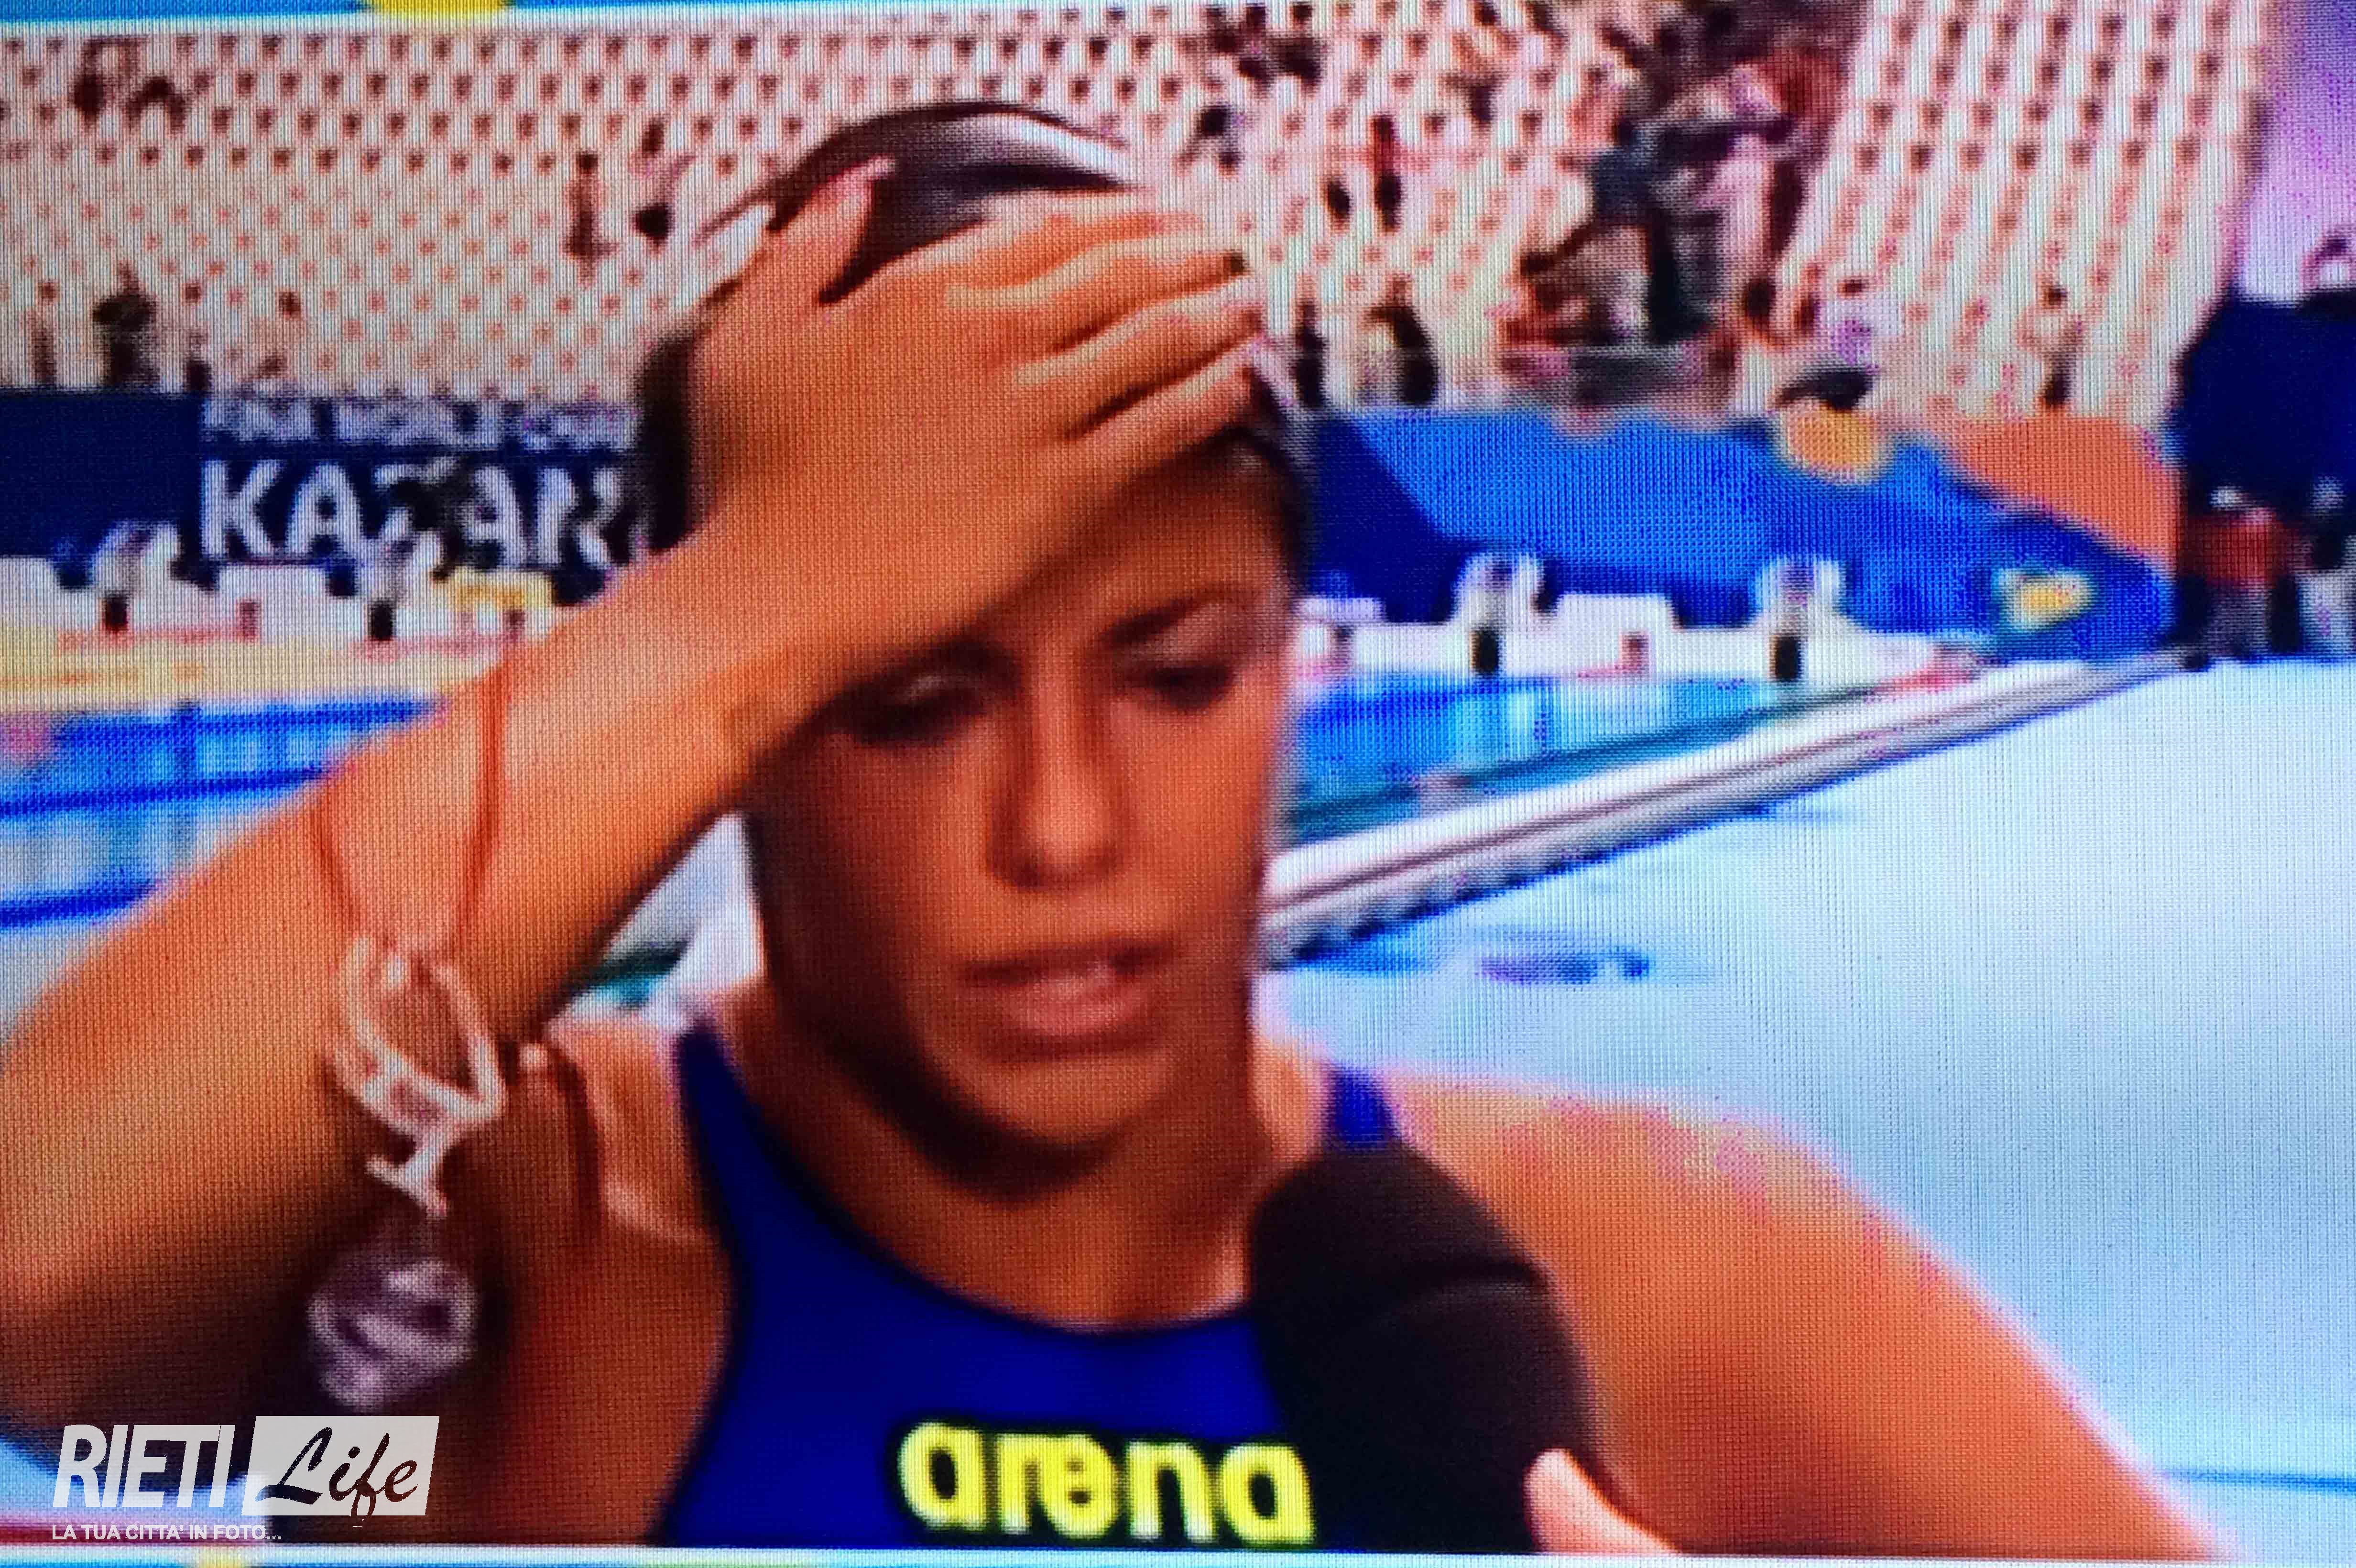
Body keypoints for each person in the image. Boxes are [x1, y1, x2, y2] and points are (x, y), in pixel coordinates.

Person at [0, 103, 2216, 1557]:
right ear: (731, 731)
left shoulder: (1661, 1286)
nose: (1063, 830)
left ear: (1292, 669)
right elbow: (41, 1303)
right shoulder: (499, 1313)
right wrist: (749, 596)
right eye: (910, 698)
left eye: (1172, 676)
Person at [91, 263, 160, 391]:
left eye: (130, 278)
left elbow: (146, 320)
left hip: (137, 355)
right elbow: (99, 316)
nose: (128, 282)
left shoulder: (143, 303)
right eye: (124, 278)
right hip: (117, 354)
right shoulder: (112, 303)